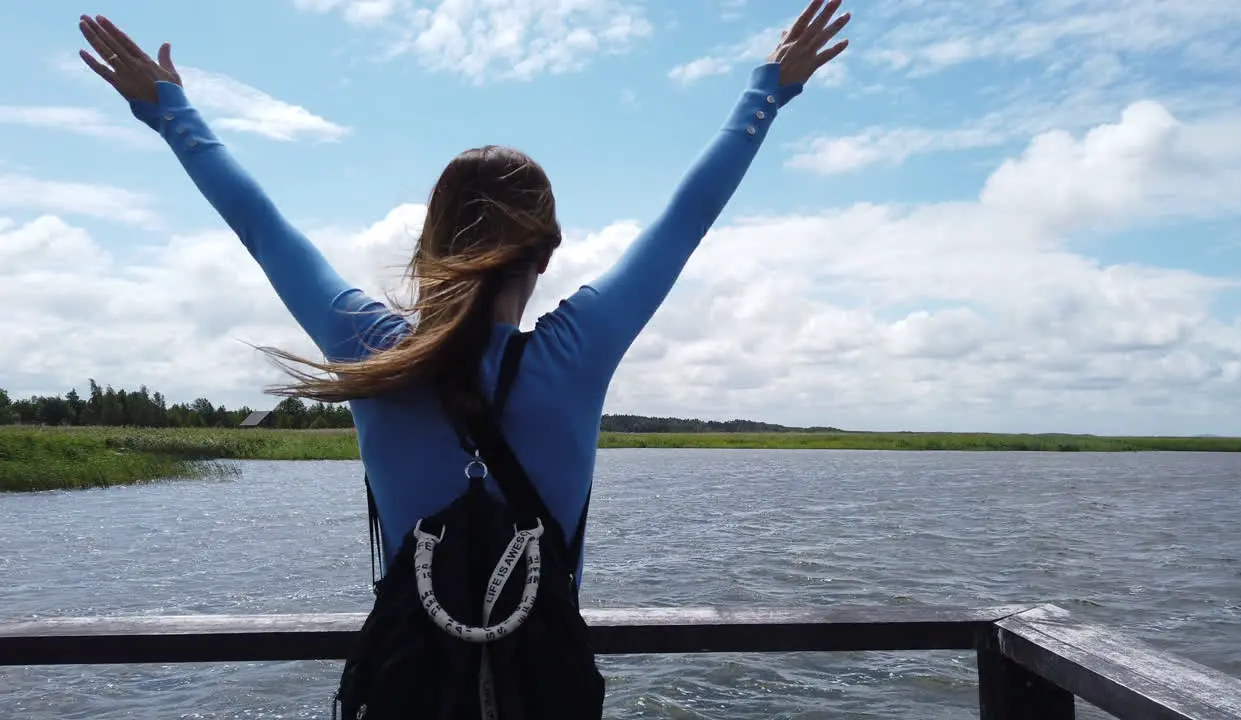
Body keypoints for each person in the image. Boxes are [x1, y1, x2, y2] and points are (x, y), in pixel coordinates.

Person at [77, 2, 850, 717]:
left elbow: (261, 227)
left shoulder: (369, 348)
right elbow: (688, 218)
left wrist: (169, 110)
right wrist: (767, 92)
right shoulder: (580, 350)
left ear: (429, 247)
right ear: (545, 255)